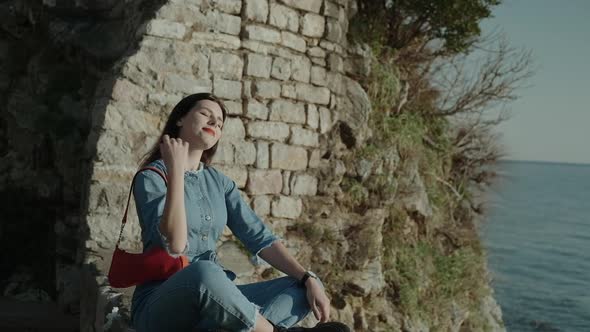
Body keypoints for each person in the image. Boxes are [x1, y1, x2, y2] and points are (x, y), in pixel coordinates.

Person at [129, 93, 350, 332]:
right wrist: (176, 172)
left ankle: (243, 326)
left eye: (220, 122)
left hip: (216, 302)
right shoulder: (151, 177)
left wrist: (308, 279)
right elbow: (176, 245)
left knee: (299, 287)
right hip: (163, 306)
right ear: (180, 119)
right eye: (205, 114)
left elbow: (260, 238)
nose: (214, 123)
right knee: (204, 271)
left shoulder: (220, 183)